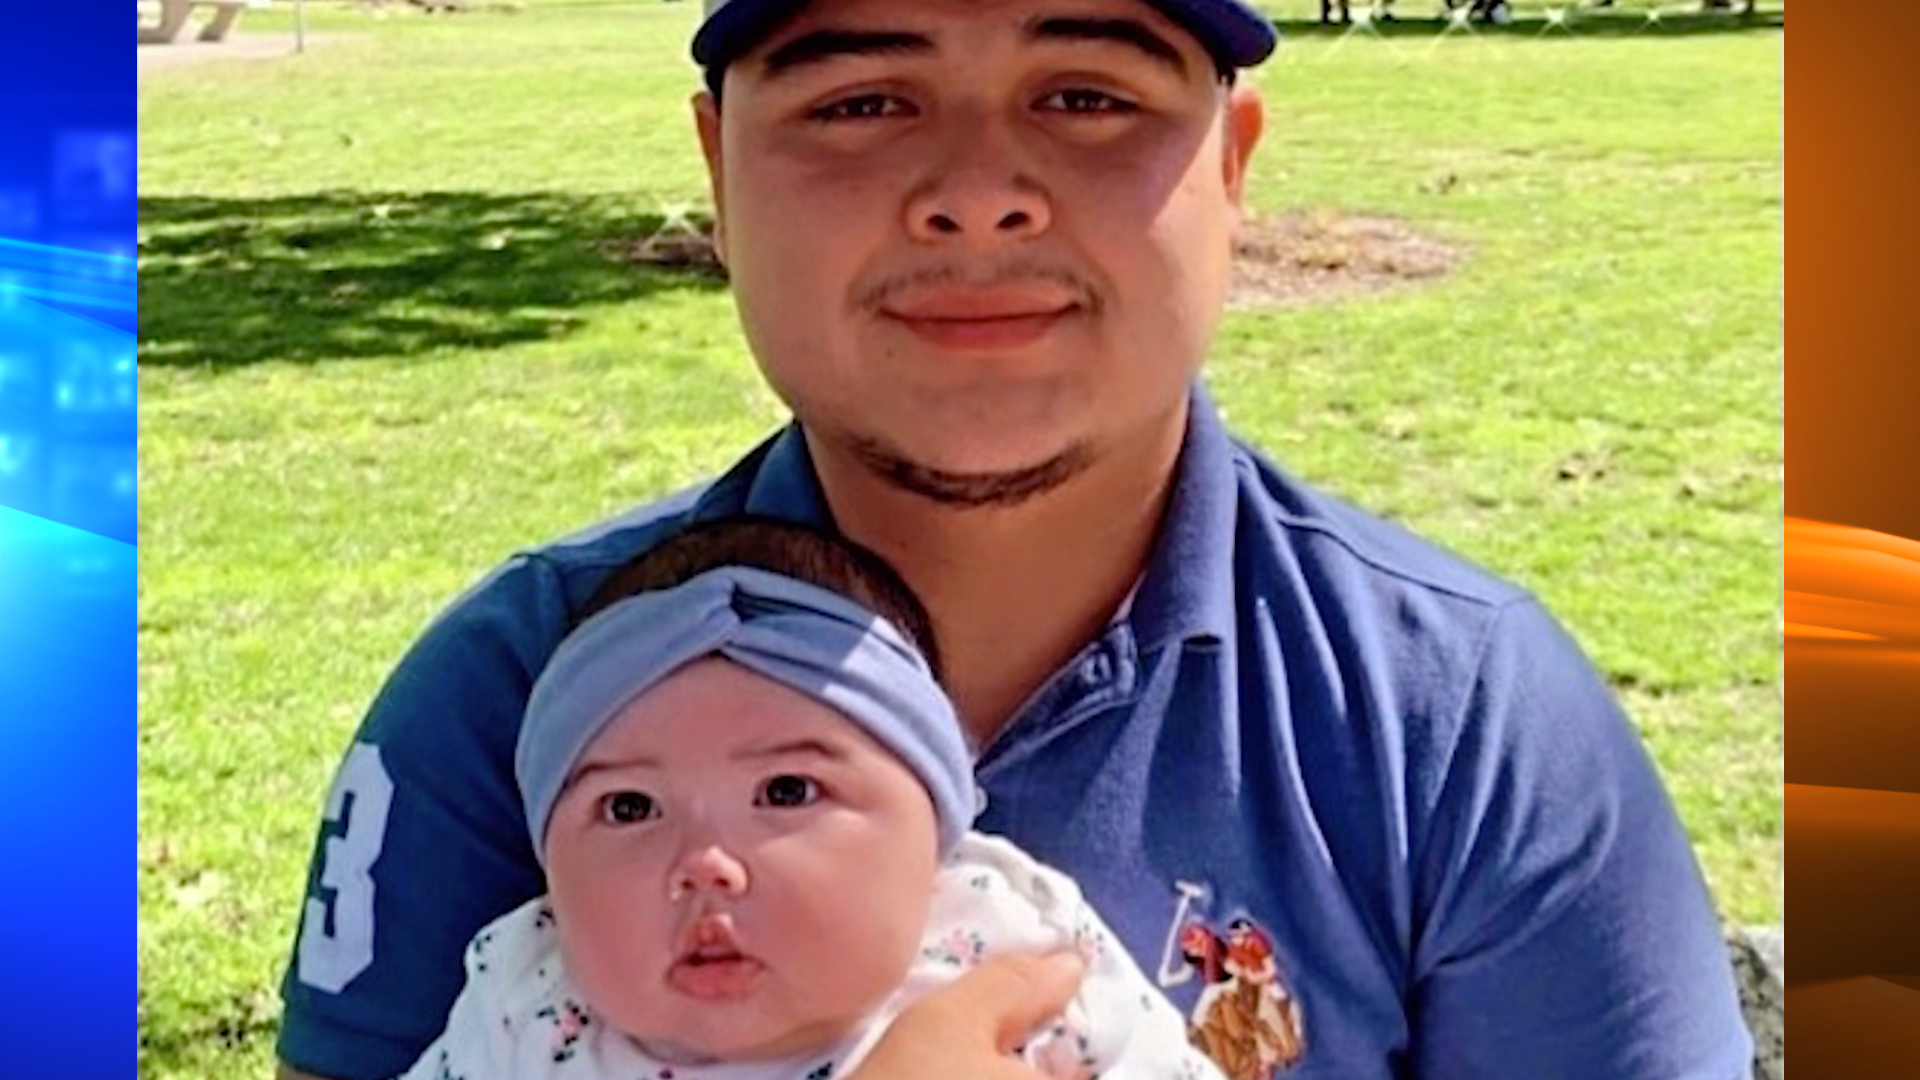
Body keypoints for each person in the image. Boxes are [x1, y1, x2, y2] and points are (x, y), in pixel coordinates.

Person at [278, 2, 1754, 1078]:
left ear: (1230, 167)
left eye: (1088, 94)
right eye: (861, 100)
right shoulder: (519, 699)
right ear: (721, 173)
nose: (977, 190)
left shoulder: (1464, 727)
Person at [393, 519, 1222, 1080]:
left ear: (934, 838)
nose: (704, 865)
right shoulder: (525, 1005)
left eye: (786, 790)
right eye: (628, 808)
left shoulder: (1004, 950)